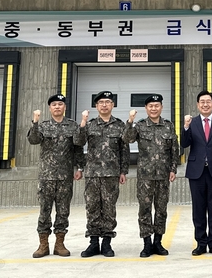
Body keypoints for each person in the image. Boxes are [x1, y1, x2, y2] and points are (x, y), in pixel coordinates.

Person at [27, 93, 84, 258]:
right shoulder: (43, 126)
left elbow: (78, 148)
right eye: (54, 105)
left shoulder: (72, 126)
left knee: (63, 211)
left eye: (60, 104)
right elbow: (34, 140)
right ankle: (43, 245)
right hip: (47, 176)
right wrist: (35, 122)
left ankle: (60, 244)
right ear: (50, 108)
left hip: (65, 176)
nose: (57, 107)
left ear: (65, 107)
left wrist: (79, 168)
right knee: (44, 211)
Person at [123, 94, 180, 258]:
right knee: (145, 210)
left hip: (163, 175)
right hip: (145, 177)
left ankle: (158, 242)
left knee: (161, 210)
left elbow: (174, 150)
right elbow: (127, 139)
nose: (154, 108)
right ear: (146, 109)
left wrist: (173, 169)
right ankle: (147, 243)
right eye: (150, 106)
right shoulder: (140, 126)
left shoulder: (168, 126)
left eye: (156, 105)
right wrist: (129, 121)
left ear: (161, 107)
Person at [75, 90, 130, 258]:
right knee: (92, 207)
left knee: (109, 208)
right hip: (92, 173)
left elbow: (124, 149)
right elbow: (78, 142)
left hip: (112, 174)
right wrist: (83, 122)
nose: (104, 105)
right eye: (101, 102)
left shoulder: (120, 125)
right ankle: (93, 242)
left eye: (107, 102)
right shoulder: (90, 124)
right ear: (96, 106)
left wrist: (123, 171)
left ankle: (106, 243)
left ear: (112, 105)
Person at [181, 90, 212, 256]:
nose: (205, 104)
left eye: (208, 101)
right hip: (196, 172)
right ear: (197, 105)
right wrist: (186, 127)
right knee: (198, 209)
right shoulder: (193, 123)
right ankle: (201, 243)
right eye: (202, 102)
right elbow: (185, 143)